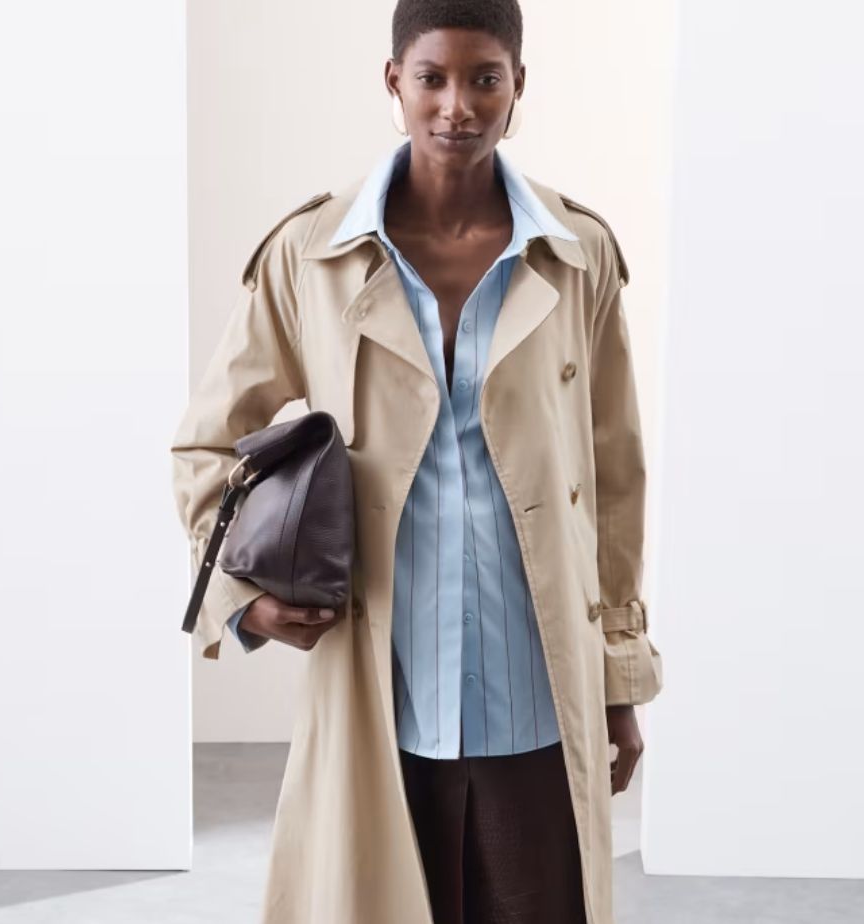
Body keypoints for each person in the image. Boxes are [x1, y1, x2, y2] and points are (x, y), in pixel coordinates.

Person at [169, 1, 663, 921]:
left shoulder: (577, 254)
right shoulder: (309, 256)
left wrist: (619, 682)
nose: (457, 106)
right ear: (392, 81)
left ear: (520, 87)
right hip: (378, 693)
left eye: (486, 78)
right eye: (432, 78)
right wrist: (247, 600)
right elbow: (204, 444)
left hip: (536, 699)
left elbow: (616, 480)